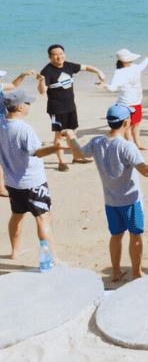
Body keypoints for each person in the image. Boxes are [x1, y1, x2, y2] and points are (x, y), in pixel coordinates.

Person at [74, 104, 148, 281]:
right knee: (135, 236)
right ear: (126, 122)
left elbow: (79, 154)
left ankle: (116, 272)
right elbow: (147, 171)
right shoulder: (127, 147)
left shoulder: (96, 142)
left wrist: (71, 138)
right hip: (131, 200)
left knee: (116, 236)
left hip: (111, 201)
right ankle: (136, 272)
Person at [0, 89, 67, 260]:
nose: (29, 106)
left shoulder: (1, 124)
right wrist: (57, 147)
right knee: (44, 218)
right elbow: (37, 152)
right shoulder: (24, 129)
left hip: (12, 182)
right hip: (32, 182)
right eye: (27, 103)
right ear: (21, 107)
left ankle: (15, 252)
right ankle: (52, 260)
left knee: (17, 216)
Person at [38, 44, 105, 171]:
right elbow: (42, 91)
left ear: (64, 54)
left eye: (61, 53)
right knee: (60, 135)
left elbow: (85, 67)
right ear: (50, 57)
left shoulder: (69, 66)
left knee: (73, 132)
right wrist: (41, 81)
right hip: (56, 109)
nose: (59, 56)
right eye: (55, 54)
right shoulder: (47, 71)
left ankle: (76, 157)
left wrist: (98, 71)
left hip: (70, 106)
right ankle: (61, 162)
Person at [104, 49, 148, 150]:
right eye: (129, 59)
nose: (131, 60)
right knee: (127, 126)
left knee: (136, 124)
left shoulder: (134, 67)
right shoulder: (118, 72)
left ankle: (138, 144)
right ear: (123, 60)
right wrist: (105, 86)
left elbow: (141, 67)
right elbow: (113, 87)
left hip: (137, 101)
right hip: (125, 103)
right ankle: (128, 145)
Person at [0, 68, 38, 197]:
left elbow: (13, 85)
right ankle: (1, 188)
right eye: (0, 77)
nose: (1, 80)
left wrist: (23, 75)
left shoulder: (0, 86)